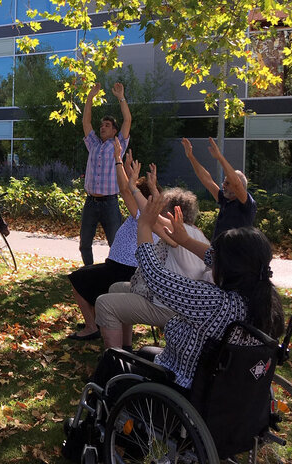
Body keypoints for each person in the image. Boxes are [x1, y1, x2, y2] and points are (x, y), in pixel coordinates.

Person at [93, 194, 284, 390]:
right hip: (230, 389)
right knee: (144, 352)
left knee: (112, 362)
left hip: (183, 382)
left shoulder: (214, 302)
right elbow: (214, 258)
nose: (212, 259)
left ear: (229, 268)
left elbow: (155, 277)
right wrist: (184, 240)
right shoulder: (268, 300)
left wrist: (144, 226)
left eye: (217, 257)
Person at [67, 140, 167, 340]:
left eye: (136, 192)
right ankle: (98, 321)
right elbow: (129, 188)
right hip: (121, 268)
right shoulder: (150, 214)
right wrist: (131, 172)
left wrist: (117, 159)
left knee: (77, 279)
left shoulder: (143, 214)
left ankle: (91, 327)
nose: (132, 194)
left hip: (122, 271)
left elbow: (124, 189)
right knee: (90, 279)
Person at [95, 185, 212, 350]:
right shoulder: (195, 232)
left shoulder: (179, 229)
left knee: (104, 304)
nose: (160, 209)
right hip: (174, 300)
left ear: (173, 212)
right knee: (116, 288)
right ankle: (126, 348)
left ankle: (114, 362)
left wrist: (133, 188)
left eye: (163, 206)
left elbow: (150, 218)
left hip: (169, 307)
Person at [79, 82, 132, 265]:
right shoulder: (93, 143)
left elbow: (127, 121)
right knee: (84, 244)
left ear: (114, 131)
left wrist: (121, 98)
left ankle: (112, 273)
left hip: (110, 203)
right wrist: (90, 98)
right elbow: (86, 122)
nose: (102, 127)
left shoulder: (118, 145)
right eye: (102, 125)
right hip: (90, 203)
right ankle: (88, 272)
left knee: (115, 244)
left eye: (107, 125)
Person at [182, 137, 257, 240]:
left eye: (227, 183)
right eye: (224, 182)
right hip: (218, 251)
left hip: (236, 253)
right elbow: (207, 180)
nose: (223, 185)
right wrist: (190, 156)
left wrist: (220, 157)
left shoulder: (246, 203)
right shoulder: (225, 199)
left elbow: (236, 184)